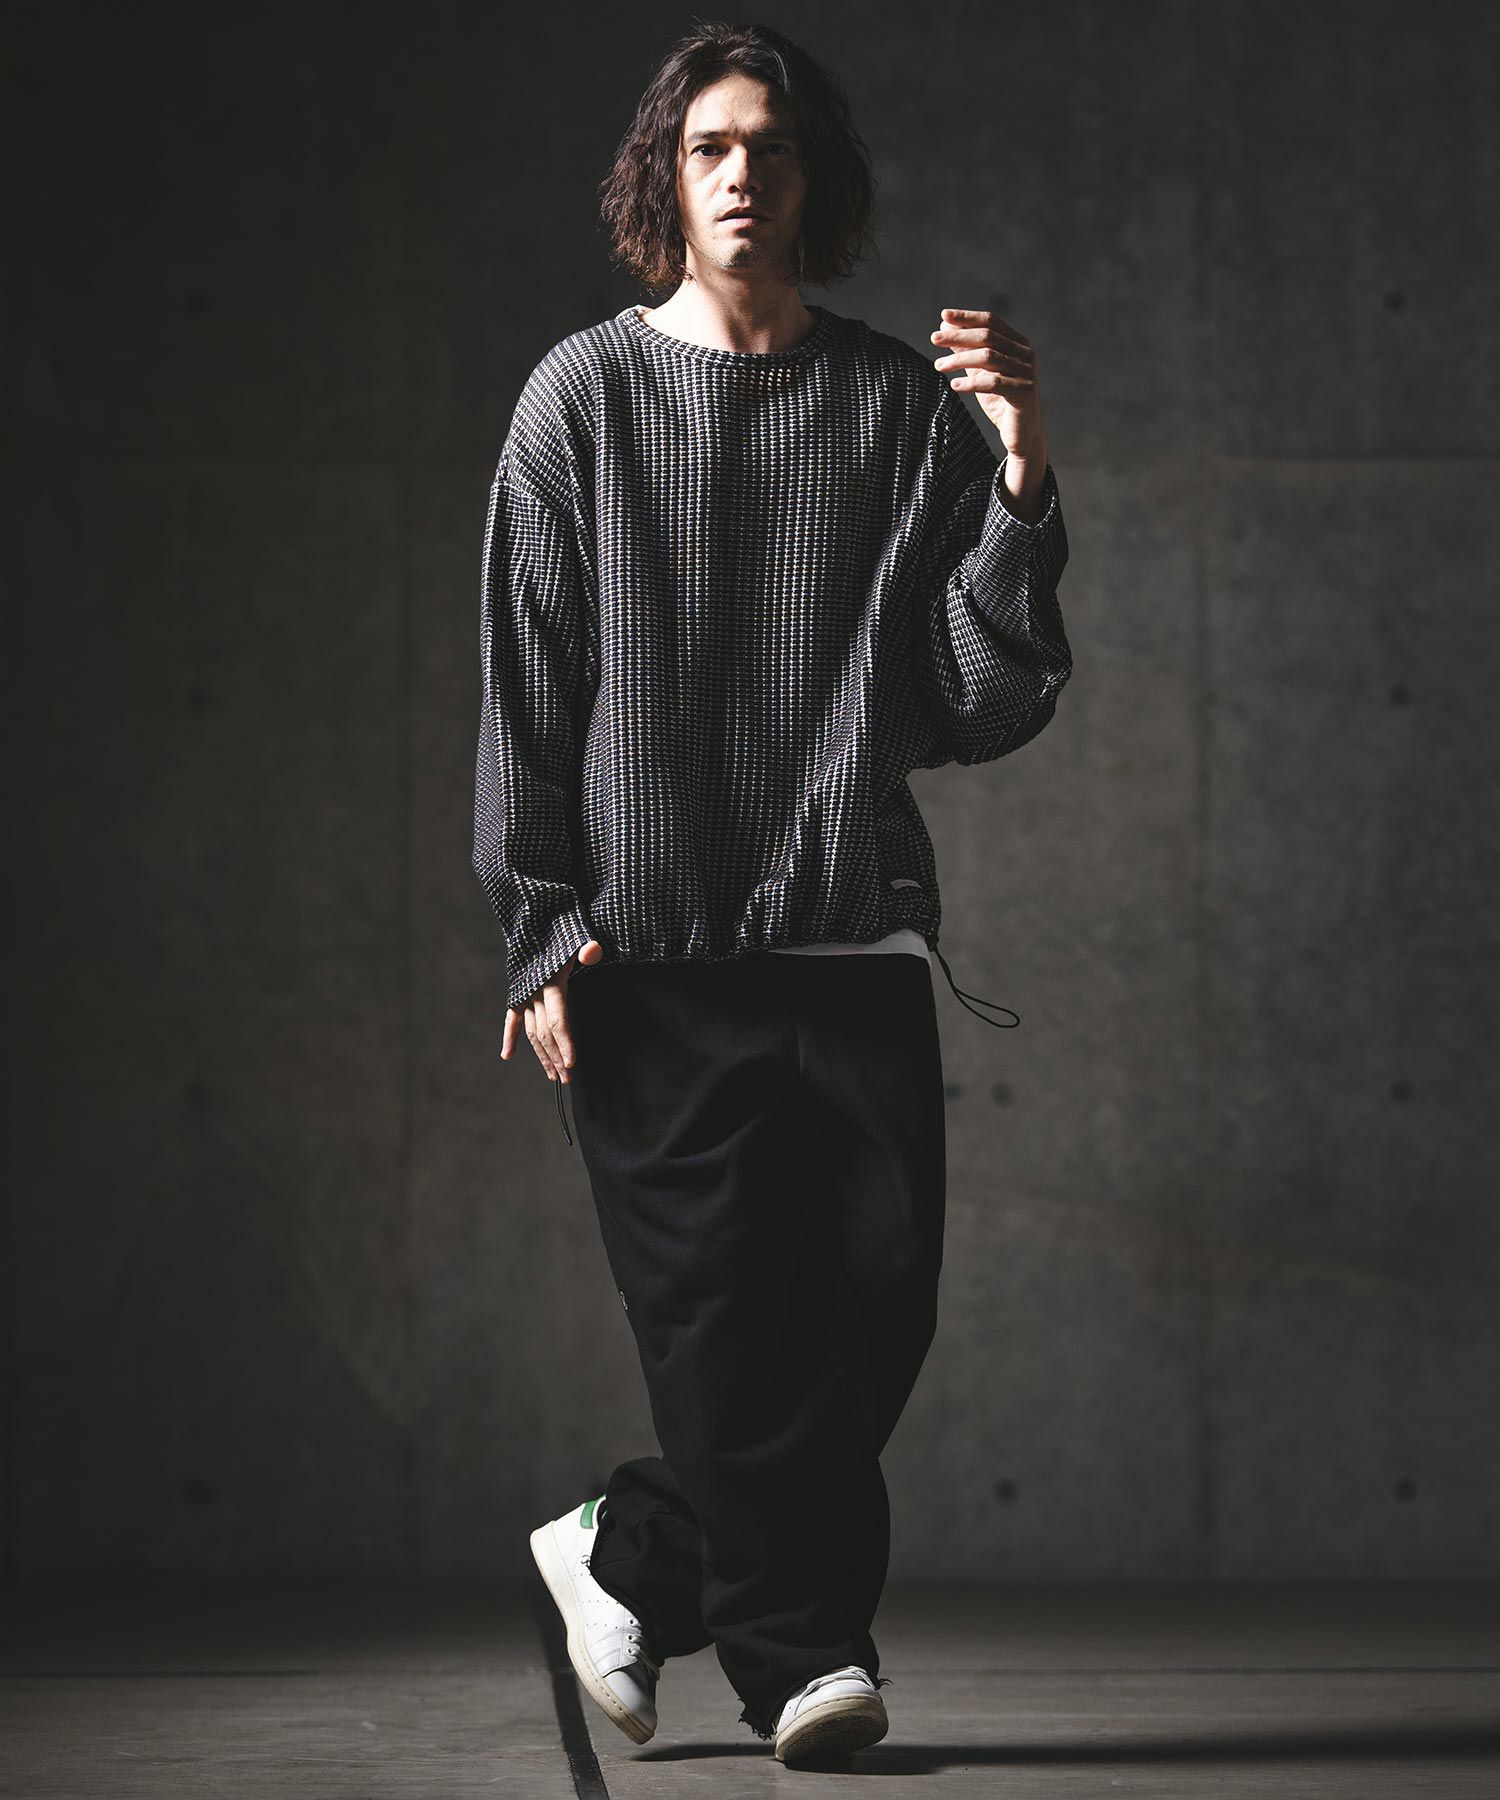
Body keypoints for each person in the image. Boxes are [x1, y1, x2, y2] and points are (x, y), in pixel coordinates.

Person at [473, 19, 1074, 1768]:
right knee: (727, 1331)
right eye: (712, 147)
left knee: (871, 1319)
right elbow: (528, 683)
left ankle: (631, 1547)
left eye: (775, 149)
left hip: (848, 941)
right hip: (645, 956)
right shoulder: (580, 400)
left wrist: (1018, 468)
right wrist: (538, 931)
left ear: (820, 181)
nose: (744, 177)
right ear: (665, 178)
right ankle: (808, 1660)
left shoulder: (896, 406)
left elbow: (978, 700)